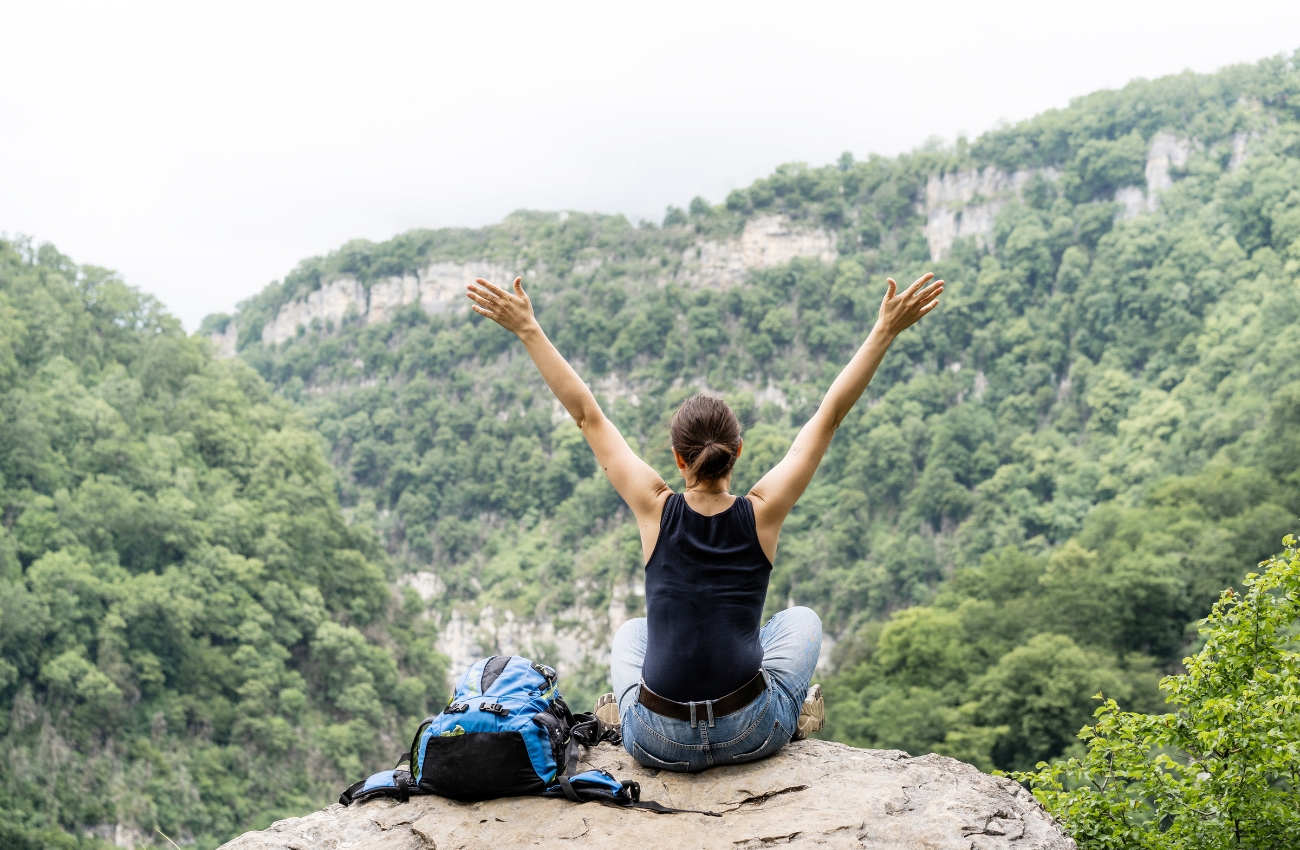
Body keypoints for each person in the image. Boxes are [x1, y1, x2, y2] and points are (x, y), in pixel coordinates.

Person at [466, 270, 944, 772]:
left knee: (631, 632)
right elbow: (828, 416)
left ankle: (624, 716)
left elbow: (587, 415)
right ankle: (789, 714)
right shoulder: (763, 511)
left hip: (656, 741)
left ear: (678, 458)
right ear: (738, 452)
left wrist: (528, 328)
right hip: (749, 732)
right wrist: (885, 329)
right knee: (800, 620)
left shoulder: (655, 506)